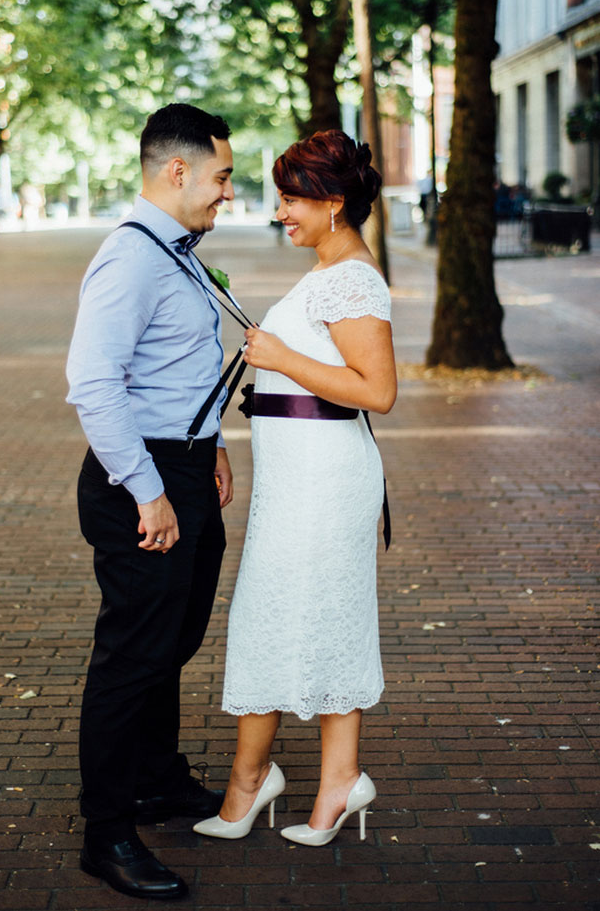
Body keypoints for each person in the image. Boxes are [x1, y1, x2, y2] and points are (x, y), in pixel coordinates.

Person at [194, 129, 397, 847]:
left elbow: (378, 390)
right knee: (291, 616)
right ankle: (305, 780)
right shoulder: (326, 268)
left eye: (292, 198)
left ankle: (269, 783)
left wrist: (278, 354)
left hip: (326, 479)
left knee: (290, 615)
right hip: (295, 479)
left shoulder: (352, 278)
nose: (281, 211)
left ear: (334, 201)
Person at [66, 103, 235, 900]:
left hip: (188, 467)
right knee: (132, 655)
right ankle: (106, 831)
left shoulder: (180, 252)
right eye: (222, 176)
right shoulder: (130, 258)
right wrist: (150, 490)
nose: (226, 192)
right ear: (179, 171)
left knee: (171, 638)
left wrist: (217, 447)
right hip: (143, 480)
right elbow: (93, 386)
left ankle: (159, 779)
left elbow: (182, 366)